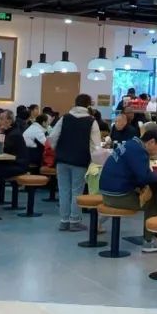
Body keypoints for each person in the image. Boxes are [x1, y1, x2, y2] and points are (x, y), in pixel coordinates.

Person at [99, 130, 157, 251]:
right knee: (152, 201)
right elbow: (144, 178)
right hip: (117, 196)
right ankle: (150, 241)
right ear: (151, 142)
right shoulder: (139, 151)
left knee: (155, 192)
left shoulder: (130, 144)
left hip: (107, 192)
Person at [47, 94, 101, 231]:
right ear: (88, 105)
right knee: (77, 191)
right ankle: (74, 221)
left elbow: (52, 137)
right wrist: (94, 161)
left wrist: (57, 149)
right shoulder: (91, 121)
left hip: (62, 159)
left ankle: (64, 221)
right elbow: (95, 145)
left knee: (63, 190)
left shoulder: (64, 118)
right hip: (80, 160)